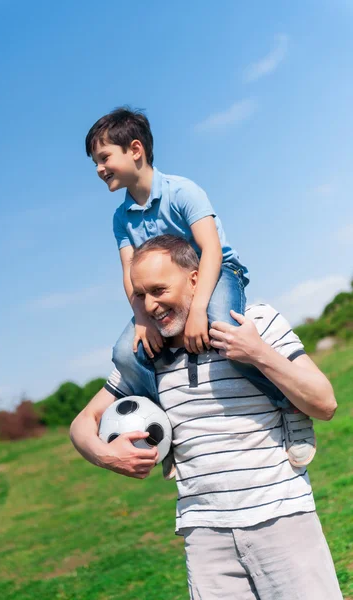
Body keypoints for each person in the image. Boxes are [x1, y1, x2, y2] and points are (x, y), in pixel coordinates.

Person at [70, 235, 341, 600]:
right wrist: (107, 455)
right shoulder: (145, 355)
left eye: (159, 290)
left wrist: (258, 353)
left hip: (283, 520)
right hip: (204, 536)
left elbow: (324, 403)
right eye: (140, 295)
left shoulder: (252, 321)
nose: (150, 305)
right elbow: (81, 425)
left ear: (196, 280)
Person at [85, 107, 315, 467]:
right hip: (165, 294)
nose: (99, 168)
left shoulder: (182, 191)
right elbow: (130, 274)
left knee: (223, 327)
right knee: (125, 352)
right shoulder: (121, 217)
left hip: (218, 273)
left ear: (135, 150)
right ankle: (164, 428)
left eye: (103, 158)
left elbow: (210, 251)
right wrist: (142, 318)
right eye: (95, 162)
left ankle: (290, 407)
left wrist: (197, 313)